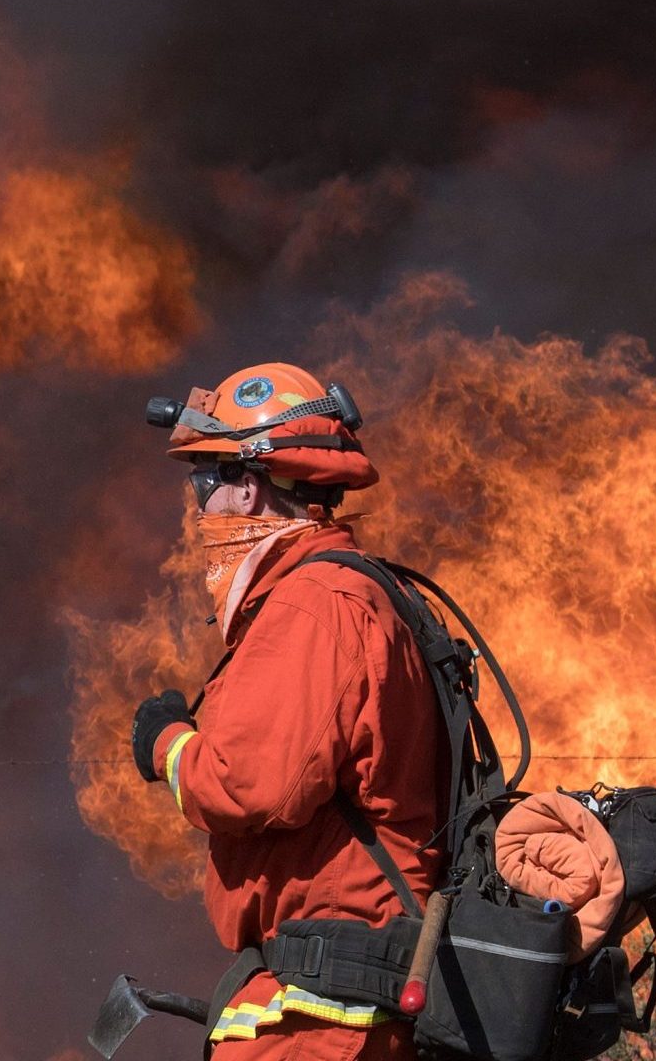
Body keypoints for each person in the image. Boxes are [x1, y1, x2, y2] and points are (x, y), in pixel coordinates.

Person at [129, 364, 442, 1060]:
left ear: (247, 488)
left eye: (204, 485)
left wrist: (166, 743)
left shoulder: (313, 604)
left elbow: (247, 783)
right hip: (336, 991)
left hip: (322, 1017)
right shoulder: (352, 593)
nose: (199, 512)